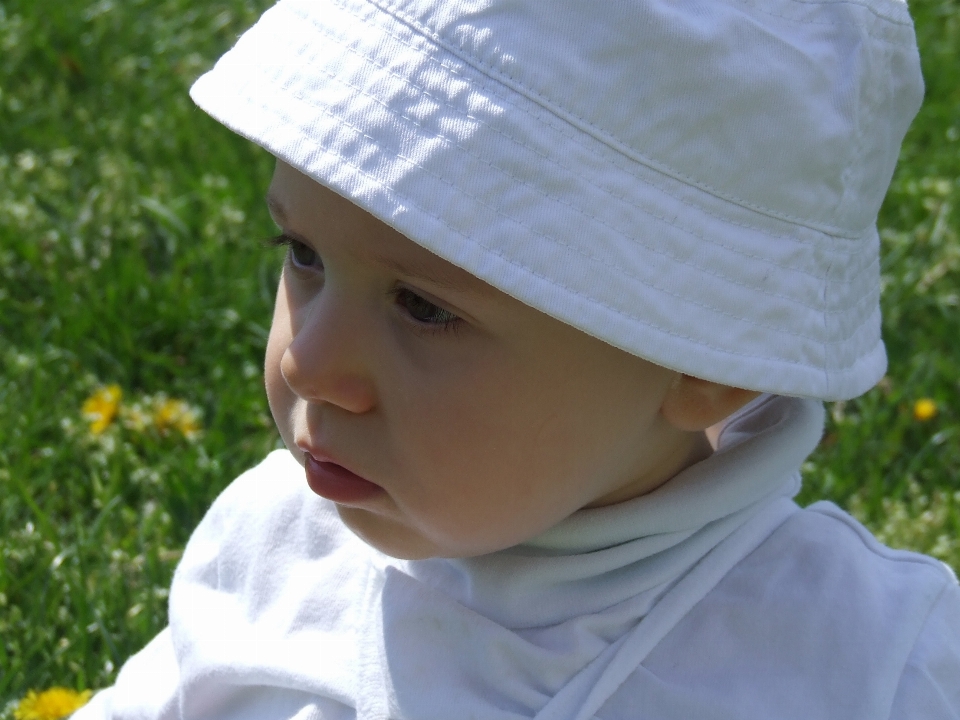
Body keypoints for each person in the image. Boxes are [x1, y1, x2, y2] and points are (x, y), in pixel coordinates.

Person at [73, 0, 960, 717]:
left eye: (423, 307)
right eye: (303, 254)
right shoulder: (274, 551)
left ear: (713, 361)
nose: (308, 363)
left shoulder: (871, 662)